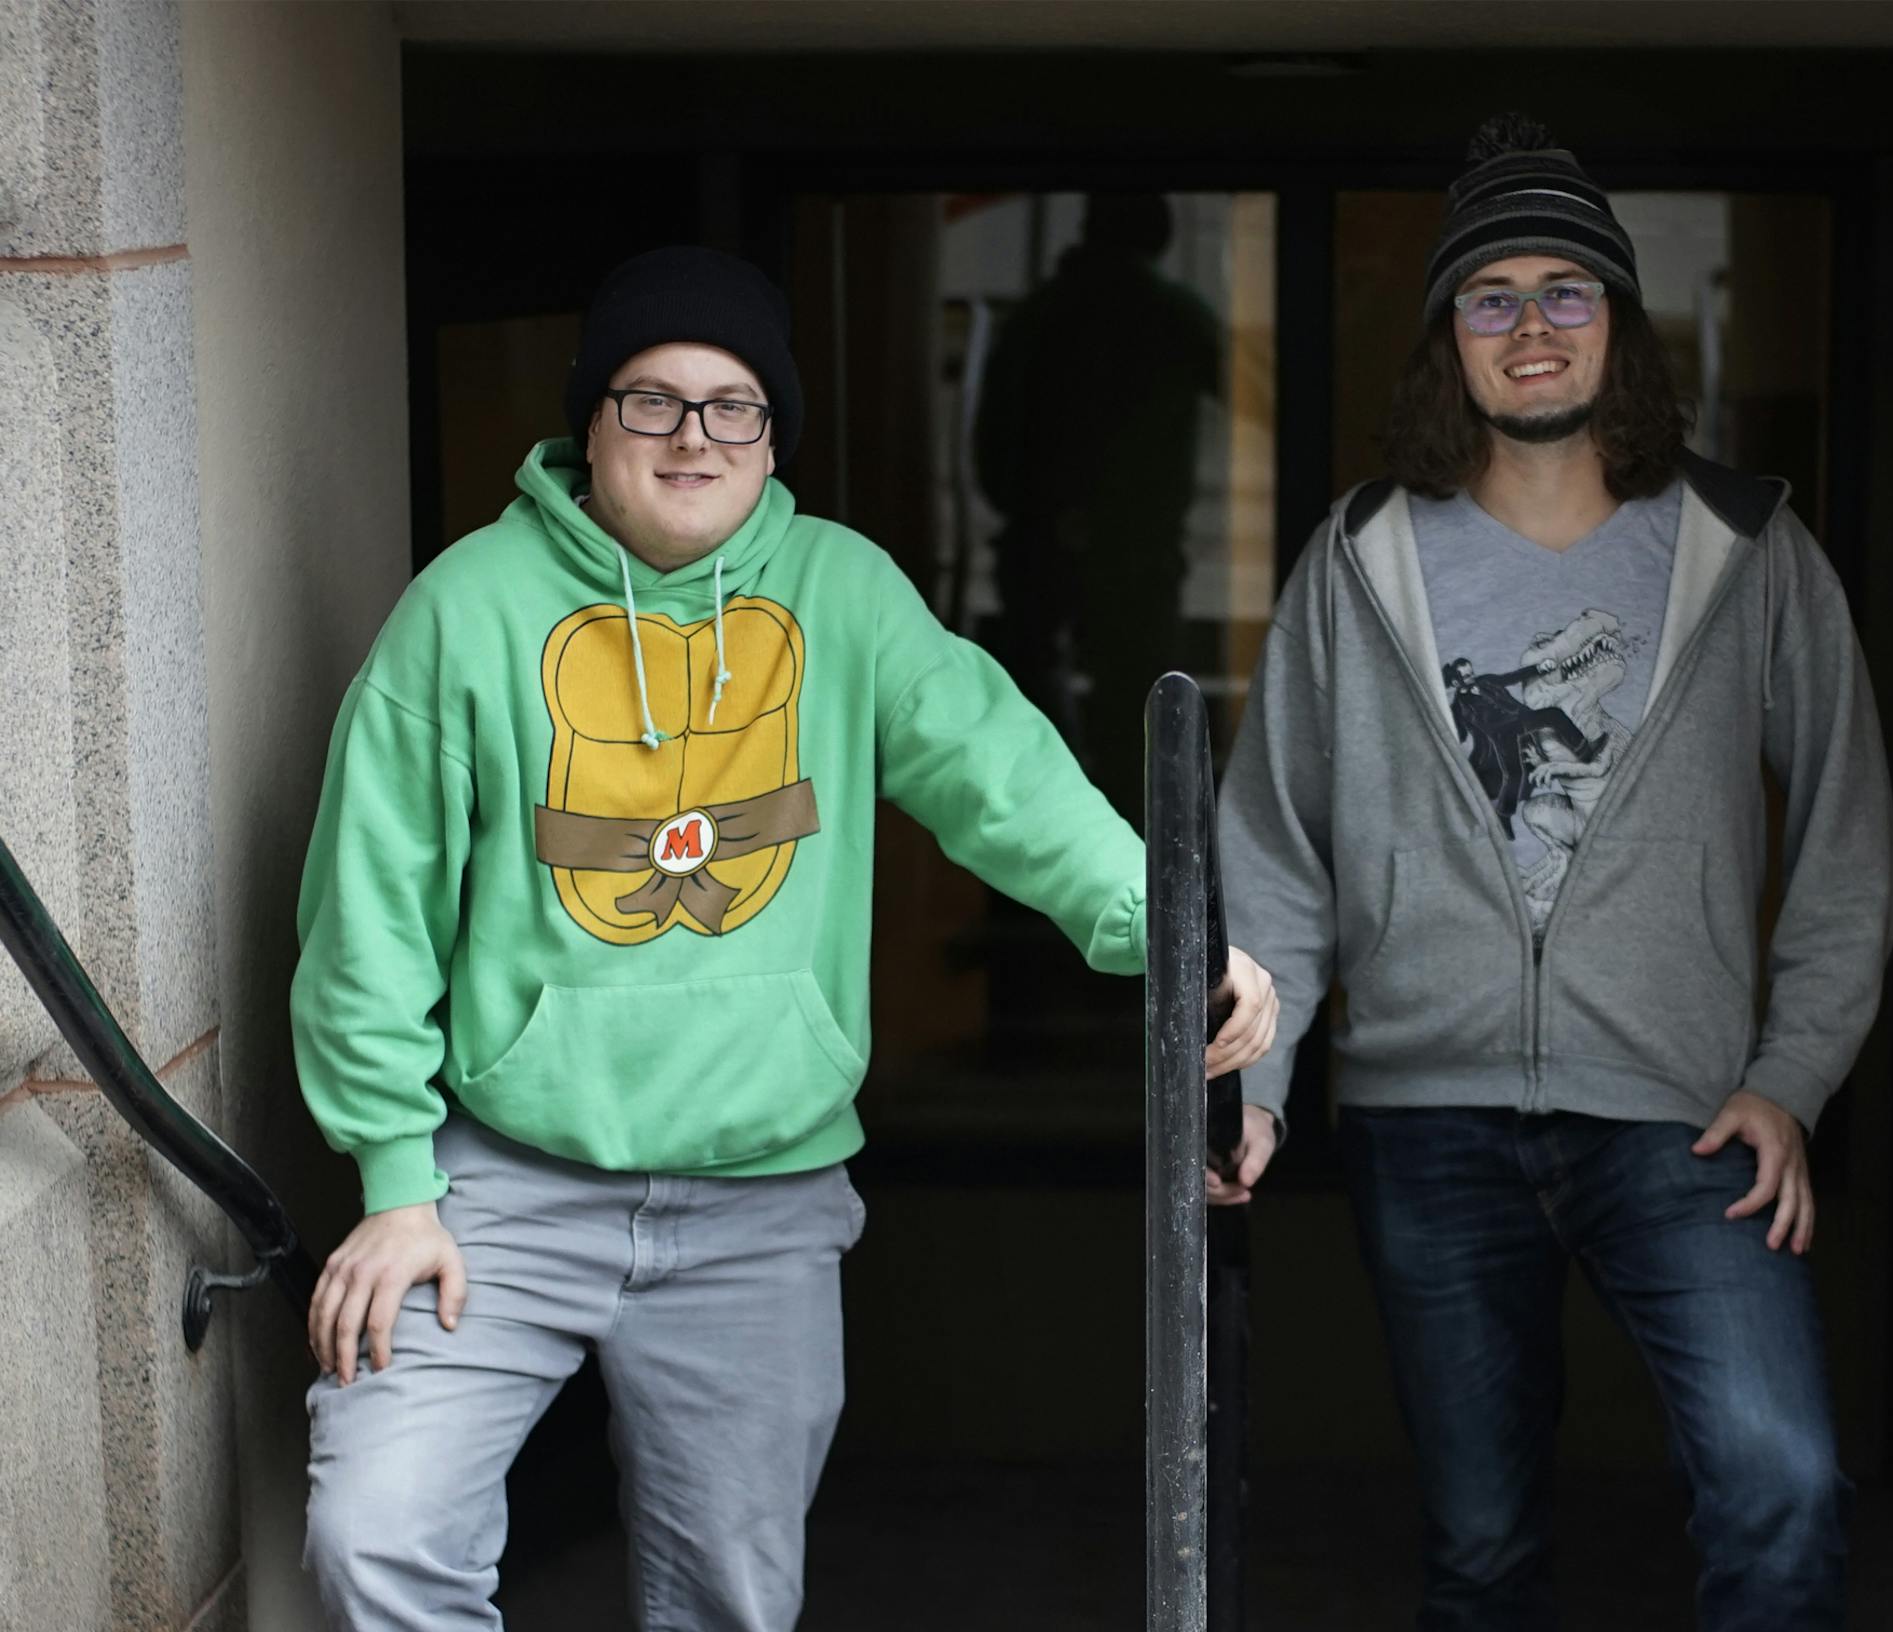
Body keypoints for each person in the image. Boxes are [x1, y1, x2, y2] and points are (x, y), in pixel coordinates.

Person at [290, 245, 1278, 1632]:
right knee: (376, 1538)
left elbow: (1003, 778)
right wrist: (396, 1180)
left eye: (732, 405)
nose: (693, 436)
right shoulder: (464, 611)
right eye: (652, 400)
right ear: (588, 423)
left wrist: (1173, 935)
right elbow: (368, 916)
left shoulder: (843, 593)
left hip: (761, 1203)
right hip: (499, 1191)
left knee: (731, 1606)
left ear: (774, 436)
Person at [1212, 115, 1893, 1630]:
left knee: (1780, 1489)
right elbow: (1273, 850)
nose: (1532, 327)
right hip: (1428, 1118)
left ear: (1620, 325)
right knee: (1481, 1552)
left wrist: (1791, 1077)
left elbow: (1848, 836)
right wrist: (1252, 1092)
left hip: (1684, 1119)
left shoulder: (1746, 548)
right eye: (1492, 297)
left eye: (1567, 292)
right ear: (1448, 339)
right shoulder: (1358, 556)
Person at [973, 192, 1222, 824]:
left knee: (1032, 691)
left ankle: (1054, 821)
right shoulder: (1173, 315)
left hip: (1039, 533)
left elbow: (993, 436)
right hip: (1139, 541)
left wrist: (1031, 506)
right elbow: (1260, 391)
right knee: (1136, 702)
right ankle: (1134, 835)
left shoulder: (1039, 315)